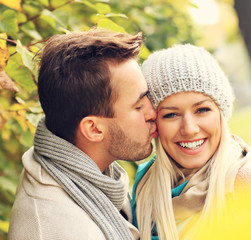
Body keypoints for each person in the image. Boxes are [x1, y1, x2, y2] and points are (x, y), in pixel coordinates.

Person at [8, 29, 157, 240]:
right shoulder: (65, 228)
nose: (154, 112)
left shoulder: (72, 164)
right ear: (94, 129)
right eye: (139, 106)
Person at [131, 44, 251, 240]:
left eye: (202, 110)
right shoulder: (144, 188)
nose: (189, 128)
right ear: (154, 123)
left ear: (220, 113)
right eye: (170, 115)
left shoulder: (247, 181)